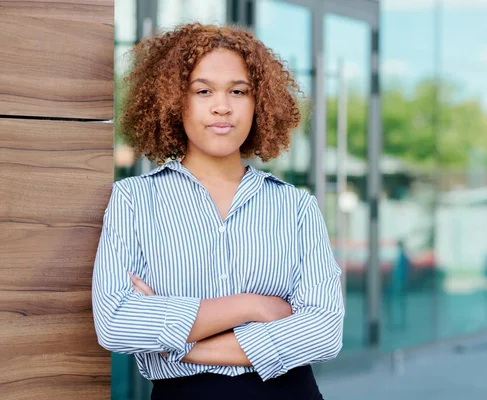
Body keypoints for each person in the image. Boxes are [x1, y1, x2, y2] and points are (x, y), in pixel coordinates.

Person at [92, 23, 345, 400]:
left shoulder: (296, 207)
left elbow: (323, 333)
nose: (222, 106)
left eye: (238, 91)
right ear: (175, 100)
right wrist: (253, 306)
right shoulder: (133, 200)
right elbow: (115, 323)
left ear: (260, 103)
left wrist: (181, 347)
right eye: (203, 90)